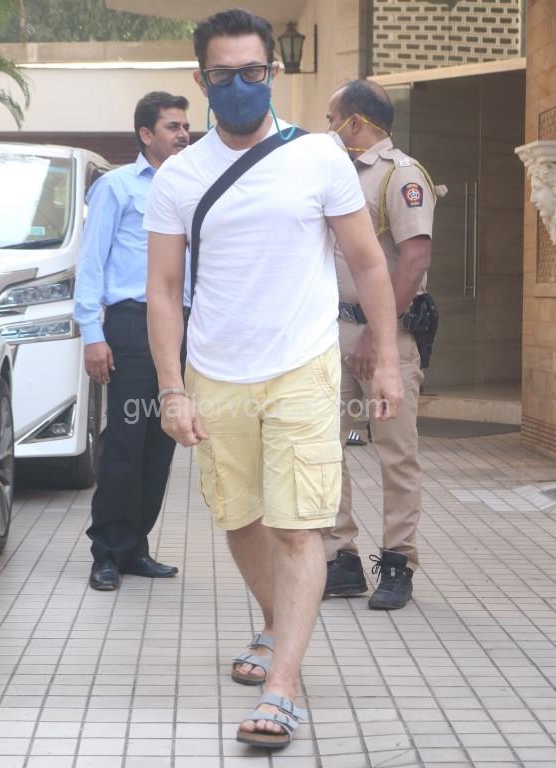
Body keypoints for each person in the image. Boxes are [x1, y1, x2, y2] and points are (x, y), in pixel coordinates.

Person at [144, 9, 402, 750]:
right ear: (201, 81)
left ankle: (283, 684)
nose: (239, 85)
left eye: (252, 72)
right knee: (242, 519)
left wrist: (386, 358)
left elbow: (369, 262)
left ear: (273, 73)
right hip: (215, 374)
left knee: (297, 526)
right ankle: (275, 623)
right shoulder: (179, 176)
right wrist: (171, 388)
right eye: (223, 75)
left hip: (302, 367)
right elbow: (164, 289)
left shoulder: (319, 156)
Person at [324, 79, 440, 610]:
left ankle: (398, 563)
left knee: (396, 452)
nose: (329, 129)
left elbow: (414, 260)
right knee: (327, 446)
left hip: (388, 337)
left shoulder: (401, 174)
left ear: (355, 122)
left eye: (332, 120)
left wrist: (376, 331)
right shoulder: (338, 174)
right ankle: (341, 558)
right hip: (336, 334)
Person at [74, 91, 191, 591]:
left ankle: (135, 545)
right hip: (131, 325)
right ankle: (106, 551)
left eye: (185, 126)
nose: (183, 134)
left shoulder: (190, 188)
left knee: (161, 443)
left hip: (182, 326)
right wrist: (92, 334)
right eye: (172, 127)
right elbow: (90, 263)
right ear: (146, 134)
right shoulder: (117, 187)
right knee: (125, 441)